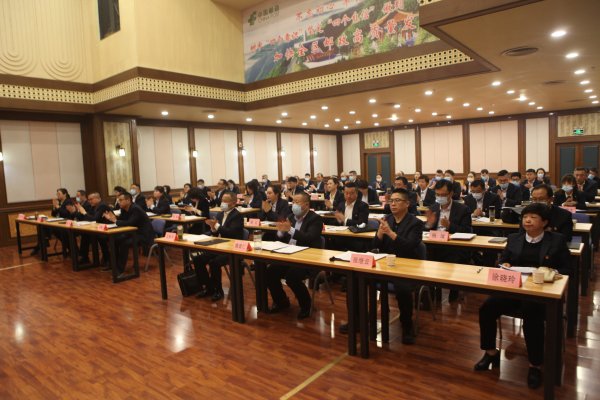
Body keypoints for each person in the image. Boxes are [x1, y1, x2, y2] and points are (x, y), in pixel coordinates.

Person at [475, 203, 571, 389]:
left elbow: (567, 269)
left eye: (533, 217)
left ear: (544, 222)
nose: (528, 220)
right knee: (487, 307)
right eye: (525, 217)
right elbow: (504, 260)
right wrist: (505, 265)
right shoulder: (514, 238)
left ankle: (535, 364)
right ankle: (491, 353)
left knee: (532, 314)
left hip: (540, 292)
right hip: (514, 288)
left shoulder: (556, 241)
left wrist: (550, 272)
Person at [372, 188, 424, 344]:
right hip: (386, 265)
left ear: (407, 204)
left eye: (397, 201)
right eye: (391, 201)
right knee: (356, 280)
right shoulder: (387, 219)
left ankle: (407, 325)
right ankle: (359, 320)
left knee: (403, 288)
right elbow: (375, 246)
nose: (393, 204)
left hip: (407, 267)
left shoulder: (415, 223)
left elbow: (409, 247)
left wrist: (390, 233)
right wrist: (380, 233)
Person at [265, 192, 323, 319]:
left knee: (292, 277)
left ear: (306, 205)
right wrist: (280, 232)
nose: (294, 205)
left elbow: (309, 238)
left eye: (297, 202)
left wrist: (290, 230)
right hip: (288, 255)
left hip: (307, 258)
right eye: (293, 202)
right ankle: (282, 302)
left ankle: (306, 306)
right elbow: (282, 237)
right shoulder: (290, 217)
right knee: (270, 272)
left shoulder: (315, 219)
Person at [423, 180, 472, 301]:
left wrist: (450, 226)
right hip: (434, 245)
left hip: (453, 246)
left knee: (454, 257)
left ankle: (453, 292)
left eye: (443, 195)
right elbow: (426, 230)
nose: (440, 197)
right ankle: (432, 295)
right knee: (425, 256)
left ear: (451, 194)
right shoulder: (433, 208)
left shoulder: (463, 209)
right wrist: (428, 225)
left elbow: (466, 231)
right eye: (437, 194)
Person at [194, 192, 244, 301]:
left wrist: (216, 225)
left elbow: (230, 233)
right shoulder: (220, 214)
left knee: (214, 263)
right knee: (198, 259)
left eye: (225, 201)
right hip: (219, 246)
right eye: (222, 200)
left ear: (233, 203)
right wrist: (213, 228)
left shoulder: (237, 216)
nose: (222, 203)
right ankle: (208, 287)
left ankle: (218, 290)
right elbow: (217, 233)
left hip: (231, 249)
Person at [103, 192, 154, 277]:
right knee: (114, 240)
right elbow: (122, 221)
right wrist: (113, 219)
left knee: (125, 243)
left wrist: (116, 221)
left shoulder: (136, 209)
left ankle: (120, 270)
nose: (119, 202)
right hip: (132, 233)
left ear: (128, 200)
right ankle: (113, 265)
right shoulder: (123, 209)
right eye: (118, 200)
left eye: (121, 200)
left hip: (143, 235)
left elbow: (130, 223)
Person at [73, 192, 112, 268]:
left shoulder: (102, 205)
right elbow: (87, 217)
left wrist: (84, 212)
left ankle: (107, 260)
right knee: (85, 235)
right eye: (89, 200)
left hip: (108, 229)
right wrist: (79, 211)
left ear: (98, 198)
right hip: (98, 229)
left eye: (91, 199)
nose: (89, 201)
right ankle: (84, 257)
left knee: (100, 237)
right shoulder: (93, 206)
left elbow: (94, 219)